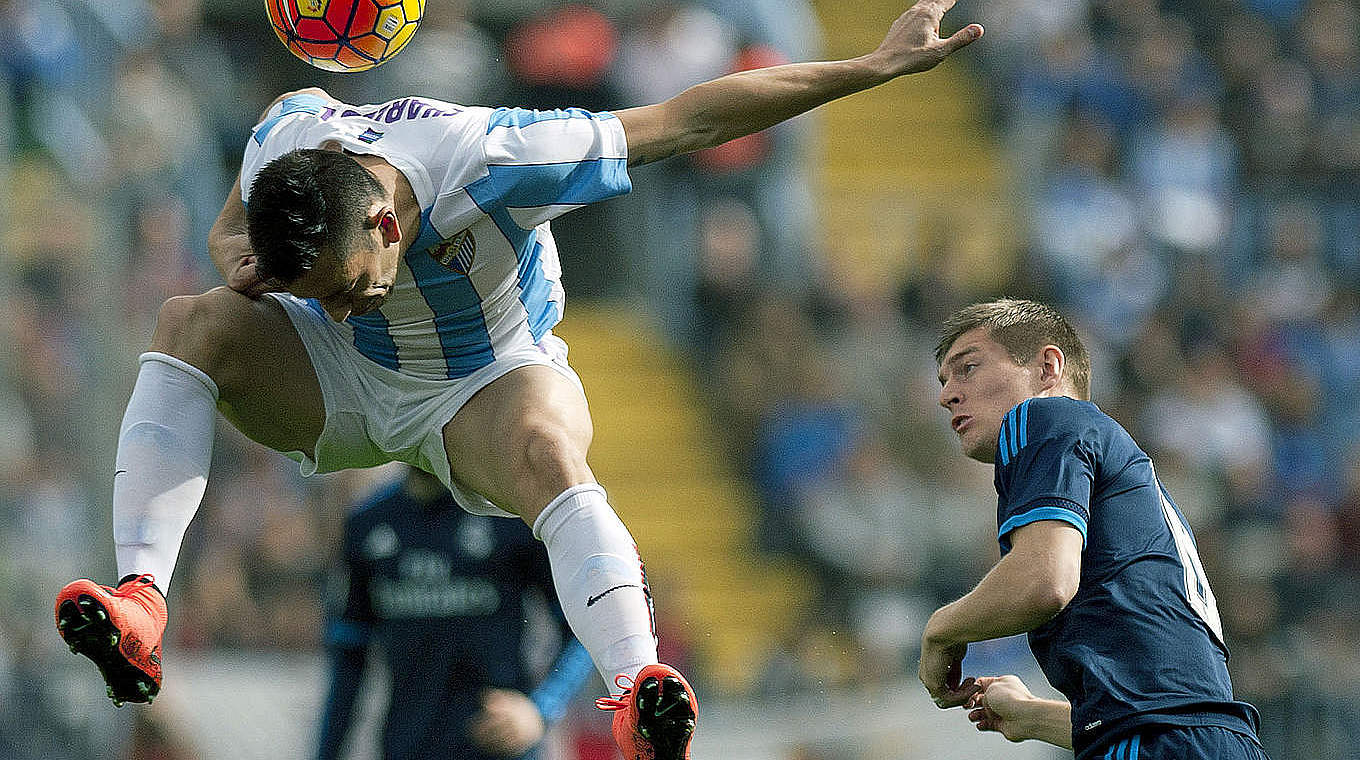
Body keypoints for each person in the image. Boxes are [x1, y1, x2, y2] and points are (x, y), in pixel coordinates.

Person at [52, 2, 983, 757]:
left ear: (383, 225)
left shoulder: (497, 158)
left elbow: (691, 115)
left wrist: (871, 68)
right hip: (343, 389)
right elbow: (232, 228)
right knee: (190, 321)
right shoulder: (289, 141)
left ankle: (637, 689)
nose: (341, 303)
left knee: (547, 446)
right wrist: (240, 263)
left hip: (483, 384)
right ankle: (142, 600)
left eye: (343, 287)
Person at [920, 298, 1267, 759]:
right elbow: (1163, 706)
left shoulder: (1044, 416)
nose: (947, 394)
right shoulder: (1139, 490)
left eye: (968, 368)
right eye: (944, 381)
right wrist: (1031, 715)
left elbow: (1045, 582)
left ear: (1047, 367)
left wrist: (940, 630)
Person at [316, 467, 594, 760]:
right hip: (407, 748)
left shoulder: (507, 517)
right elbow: (349, 658)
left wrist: (539, 710)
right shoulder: (368, 523)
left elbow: (582, 629)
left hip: (499, 749)